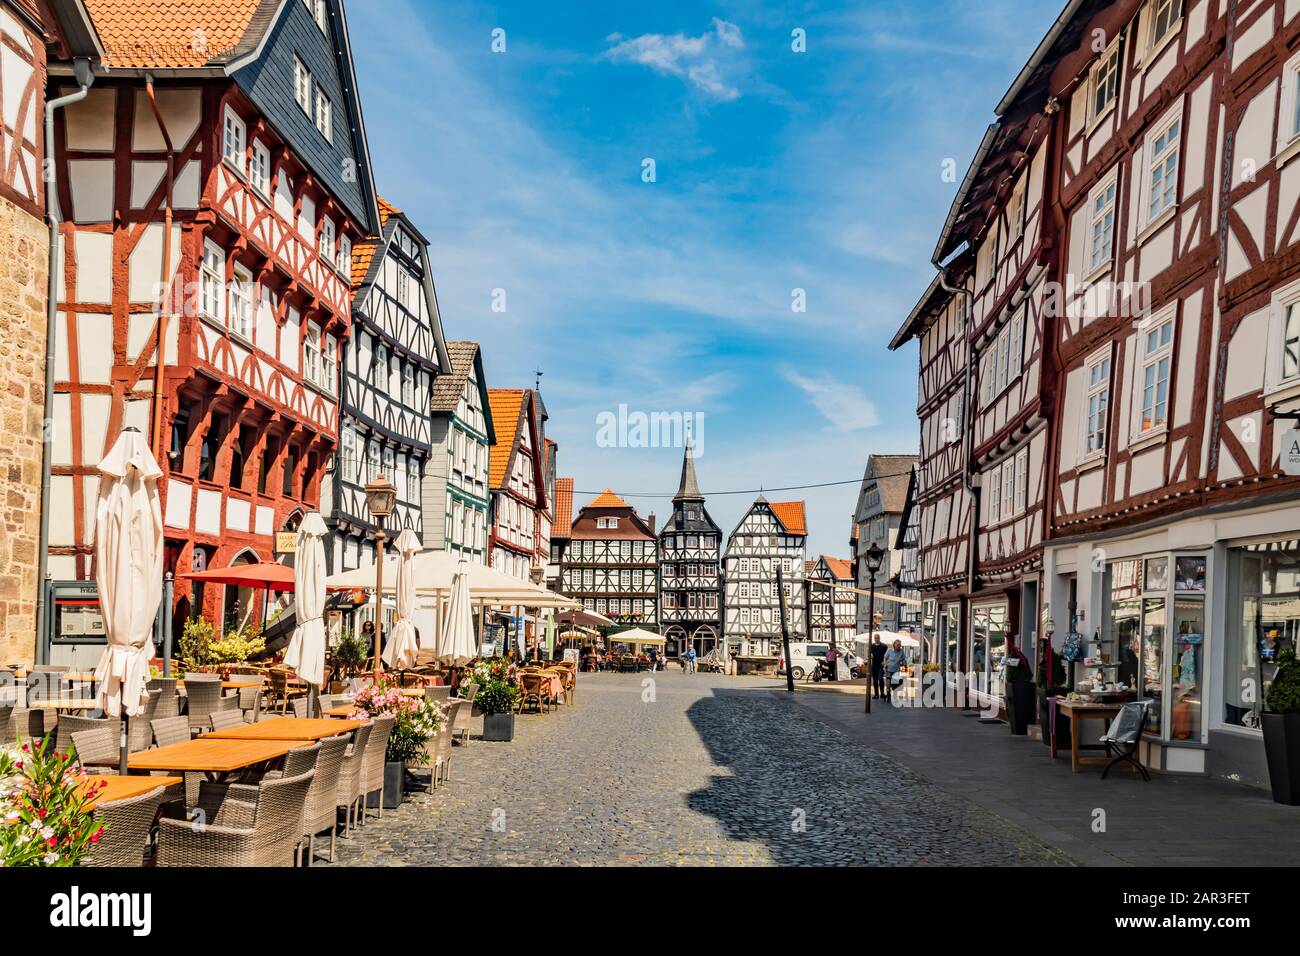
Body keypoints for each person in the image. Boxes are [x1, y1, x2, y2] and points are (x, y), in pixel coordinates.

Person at [870, 634, 886, 699]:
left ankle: (882, 693)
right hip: (874, 665)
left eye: (878, 638)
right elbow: (870, 653)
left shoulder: (884, 646)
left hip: (880, 665)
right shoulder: (872, 646)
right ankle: (876, 694)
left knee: (880, 678)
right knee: (875, 680)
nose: (876, 639)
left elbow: (886, 655)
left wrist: (884, 661)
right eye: (875, 638)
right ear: (874, 639)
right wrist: (870, 656)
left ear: (879, 638)